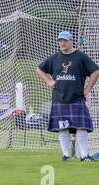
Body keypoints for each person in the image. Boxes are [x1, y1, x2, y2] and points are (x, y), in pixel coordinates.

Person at [35, 31, 99, 162]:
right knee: (62, 127)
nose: (62, 43)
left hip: (77, 98)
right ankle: (66, 156)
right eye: (60, 41)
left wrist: (87, 89)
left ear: (71, 41)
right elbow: (39, 69)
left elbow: (96, 70)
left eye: (64, 40)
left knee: (81, 126)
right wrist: (48, 81)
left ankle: (84, 155)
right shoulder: (54, 58)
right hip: (59, 98)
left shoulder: (80, 57)